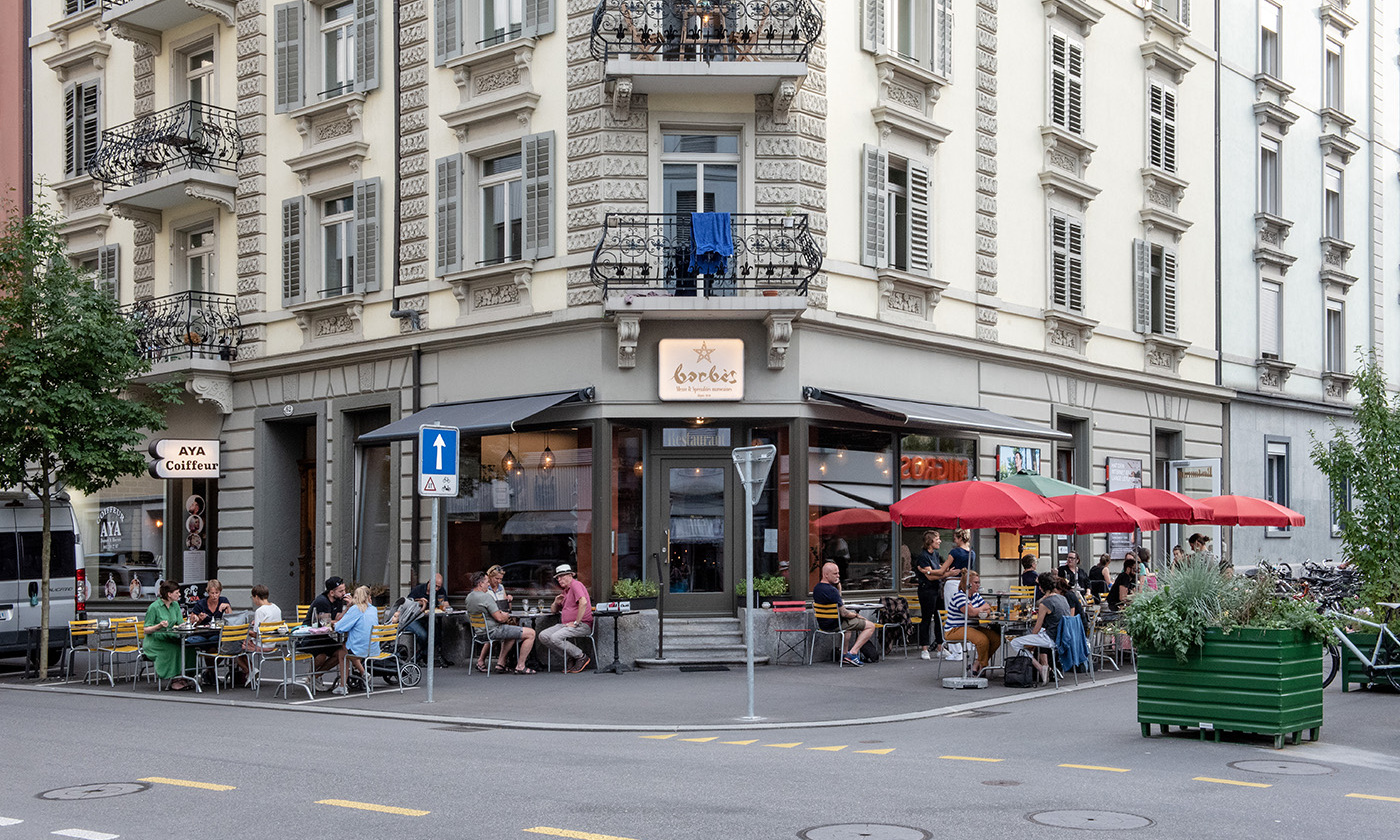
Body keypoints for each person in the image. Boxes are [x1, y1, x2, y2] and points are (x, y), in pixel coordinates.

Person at [466, 571, 538, 674]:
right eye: (486, 582)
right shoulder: (486, 597)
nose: (488, 584)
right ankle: (521, 666)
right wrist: (505, 616)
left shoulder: (469, 597)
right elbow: (500, 619)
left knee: (511, 634)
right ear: (480, 583)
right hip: (493, 631)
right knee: (531, 633)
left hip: (479, 633)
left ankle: (500, 664)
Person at [1009, 573, 1073, 684]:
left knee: (1015, 642)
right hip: (1064, 638)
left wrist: (1031, 645)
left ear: (1041, 587)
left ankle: (1040, 667)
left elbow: (1037, 628)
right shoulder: (1063, 599)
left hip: (1052, 638)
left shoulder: (1045, 603)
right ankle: (1044, 667)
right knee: (1031, 639)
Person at [812, 561, 878, 667]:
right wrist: (857, 615)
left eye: (838, 573)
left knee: (849, 627)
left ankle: (844, 654)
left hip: (823, 624)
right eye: (835, 574)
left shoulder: (817, 589)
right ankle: (853, 653)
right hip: (835, 624)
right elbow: (844, 613)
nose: (838, 576)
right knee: (870, 626)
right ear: (826, 574)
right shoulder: (832, 591)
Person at [944, 570, 1001, 676]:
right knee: (982, 640)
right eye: (976, 582)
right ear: (968, 584)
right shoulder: (960, 596)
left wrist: (978, 609)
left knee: (996, 639)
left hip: (972, 627)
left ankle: (977, 663)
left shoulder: (976, 596)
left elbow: (988, 609)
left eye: (979, 582)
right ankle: (983, 666)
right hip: (955, 629)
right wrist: (981, 608)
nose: (978, 585)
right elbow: (970, 612)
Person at [538, 564, 594, 673]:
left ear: (570, 575)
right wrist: (555, 602)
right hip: (566, 625)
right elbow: (553, 610)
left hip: (582, 624)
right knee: (543, 636)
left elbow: (583, 602)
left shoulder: (576, 585)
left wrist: (576, 622)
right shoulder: (565, 591)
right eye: (557, 577)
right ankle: (570, 656)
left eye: (562, 576)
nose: (559, 579)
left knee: (555, 637)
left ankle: (581, 656)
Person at [142, 580, 195, 691]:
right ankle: (174, 679)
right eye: (177, 592)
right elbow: (146, 629)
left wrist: (191, 622)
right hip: (155, 641)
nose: (179, 594)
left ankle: (185, 676)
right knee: (174, 650)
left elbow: (180, 624)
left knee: (189, 648)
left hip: (170, 637)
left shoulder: (175, 605)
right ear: (169, 594)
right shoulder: (154, 607)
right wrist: (159, 626)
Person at [333, 585, 380, 695]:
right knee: (347, 647)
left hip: (360, 649)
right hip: (373, 648)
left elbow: (340, 628)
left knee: (342, 653)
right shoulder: (373, 609)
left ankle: (343, 686)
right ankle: (363, 673)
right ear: (368, 596)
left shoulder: (356, 609)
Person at [304, 577, 348, 687]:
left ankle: (315, 676)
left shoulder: (338, 600)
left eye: (344, 590)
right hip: (310, 636)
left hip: (323, 636)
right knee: (321, 656)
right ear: (331, 592)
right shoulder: (322, 601)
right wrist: (336, 622)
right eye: (341, 591)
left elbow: (337, 618)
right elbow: (327, 623)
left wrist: (347, 608)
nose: (344, 593)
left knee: (341, 652)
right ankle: (312, 676)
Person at [403, 573, 453, 667]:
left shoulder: (441, 591)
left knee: (437, 633)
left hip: (427, 618)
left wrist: (446, 607)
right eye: (436, 586)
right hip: (413, 619)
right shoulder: (419, 589)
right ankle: (421, 656)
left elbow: (445, 603)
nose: (437, 589)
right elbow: (408, 604)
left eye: (439, 587)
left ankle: (421, 656)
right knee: (424, 635)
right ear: (430, 582)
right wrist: (419, 602)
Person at [911, 530, 947, 660]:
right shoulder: (923, 556)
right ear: (930, 541)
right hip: (926, 590)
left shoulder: (936, 554)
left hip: (937, 589)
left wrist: (936, 573)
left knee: (939, 618)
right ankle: (924, 648)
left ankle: (940, 647)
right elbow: (930, 577)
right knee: (926, 618)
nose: (940, 541)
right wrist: (942, 574)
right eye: (937, 539)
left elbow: (935, 572)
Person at [237, 584, 283, 686]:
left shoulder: (260, 611)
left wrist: (244, 630)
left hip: (262, 644)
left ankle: (250, 670)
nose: (253, 600)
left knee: (236, 649)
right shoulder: (276, 608)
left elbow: (256, 634)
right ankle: (251, 671)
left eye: (252, 597)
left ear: (256, 596)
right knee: (241, 645)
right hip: (272, 643)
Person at [942, 529, 976, 608]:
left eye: (955, 538)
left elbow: (943, 569)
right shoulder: (972, 553)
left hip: (952, 582)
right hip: (965, 583)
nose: (954, 541)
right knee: (963, 607)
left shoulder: (955, 552)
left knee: (950, 607)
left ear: (960, 538)